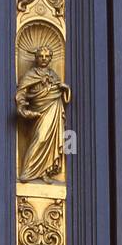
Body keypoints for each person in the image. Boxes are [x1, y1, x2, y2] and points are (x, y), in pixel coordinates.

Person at [16, 47, 71, 182]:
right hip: (39, 111)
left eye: (47, 57)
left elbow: (57, 90)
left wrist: (65, 89)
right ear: (36, 58)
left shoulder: (53, 75)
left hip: (53, 107)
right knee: (40, 138)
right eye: (41, 56)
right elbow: (21, 93)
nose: (44, 59)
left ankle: (45, 171)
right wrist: (23, 109)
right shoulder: (30, 75)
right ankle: (27, 171)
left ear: (51, 58)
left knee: (50, 139)